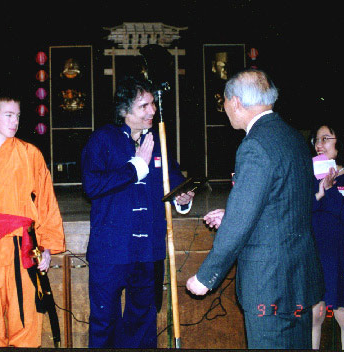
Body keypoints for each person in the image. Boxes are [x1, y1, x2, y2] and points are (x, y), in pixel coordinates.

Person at [186, 68, 324, 349]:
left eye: (223, 102)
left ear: (236, 102)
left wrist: (205, 277)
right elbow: (287, 202)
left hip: (269, 284)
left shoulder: (254, 145)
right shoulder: (293, 137)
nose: (224, 109)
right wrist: (234, 213)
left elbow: (239, 226)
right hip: (298, 277)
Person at [81, 75, 194, 348]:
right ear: (124, 111)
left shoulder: (158, 141)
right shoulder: (102, 140)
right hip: (111, 251)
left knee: (142, 324)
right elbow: (92, 185)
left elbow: (174, 179)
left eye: (152, 104)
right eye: (144, 106)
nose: (152, 111)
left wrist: (182, 196)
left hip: (148, 254)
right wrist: (134, 168)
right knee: (104, 323)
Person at [0, 92, 65, 347]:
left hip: (23, 249)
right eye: (8, 115)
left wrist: (47, 247)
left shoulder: (30, 154)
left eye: (17, 116)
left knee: (27, 320)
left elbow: (46, 201)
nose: (15, 121)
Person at [310, 123, 344, 349]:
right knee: (314, 315)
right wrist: (319, 192)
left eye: (326, 139)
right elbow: (301, 210)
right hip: (316, 253)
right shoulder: (308, 176)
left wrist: (331, 190)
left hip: (340, 255)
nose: (319, 145)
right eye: (316, 140)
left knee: (342, 314)